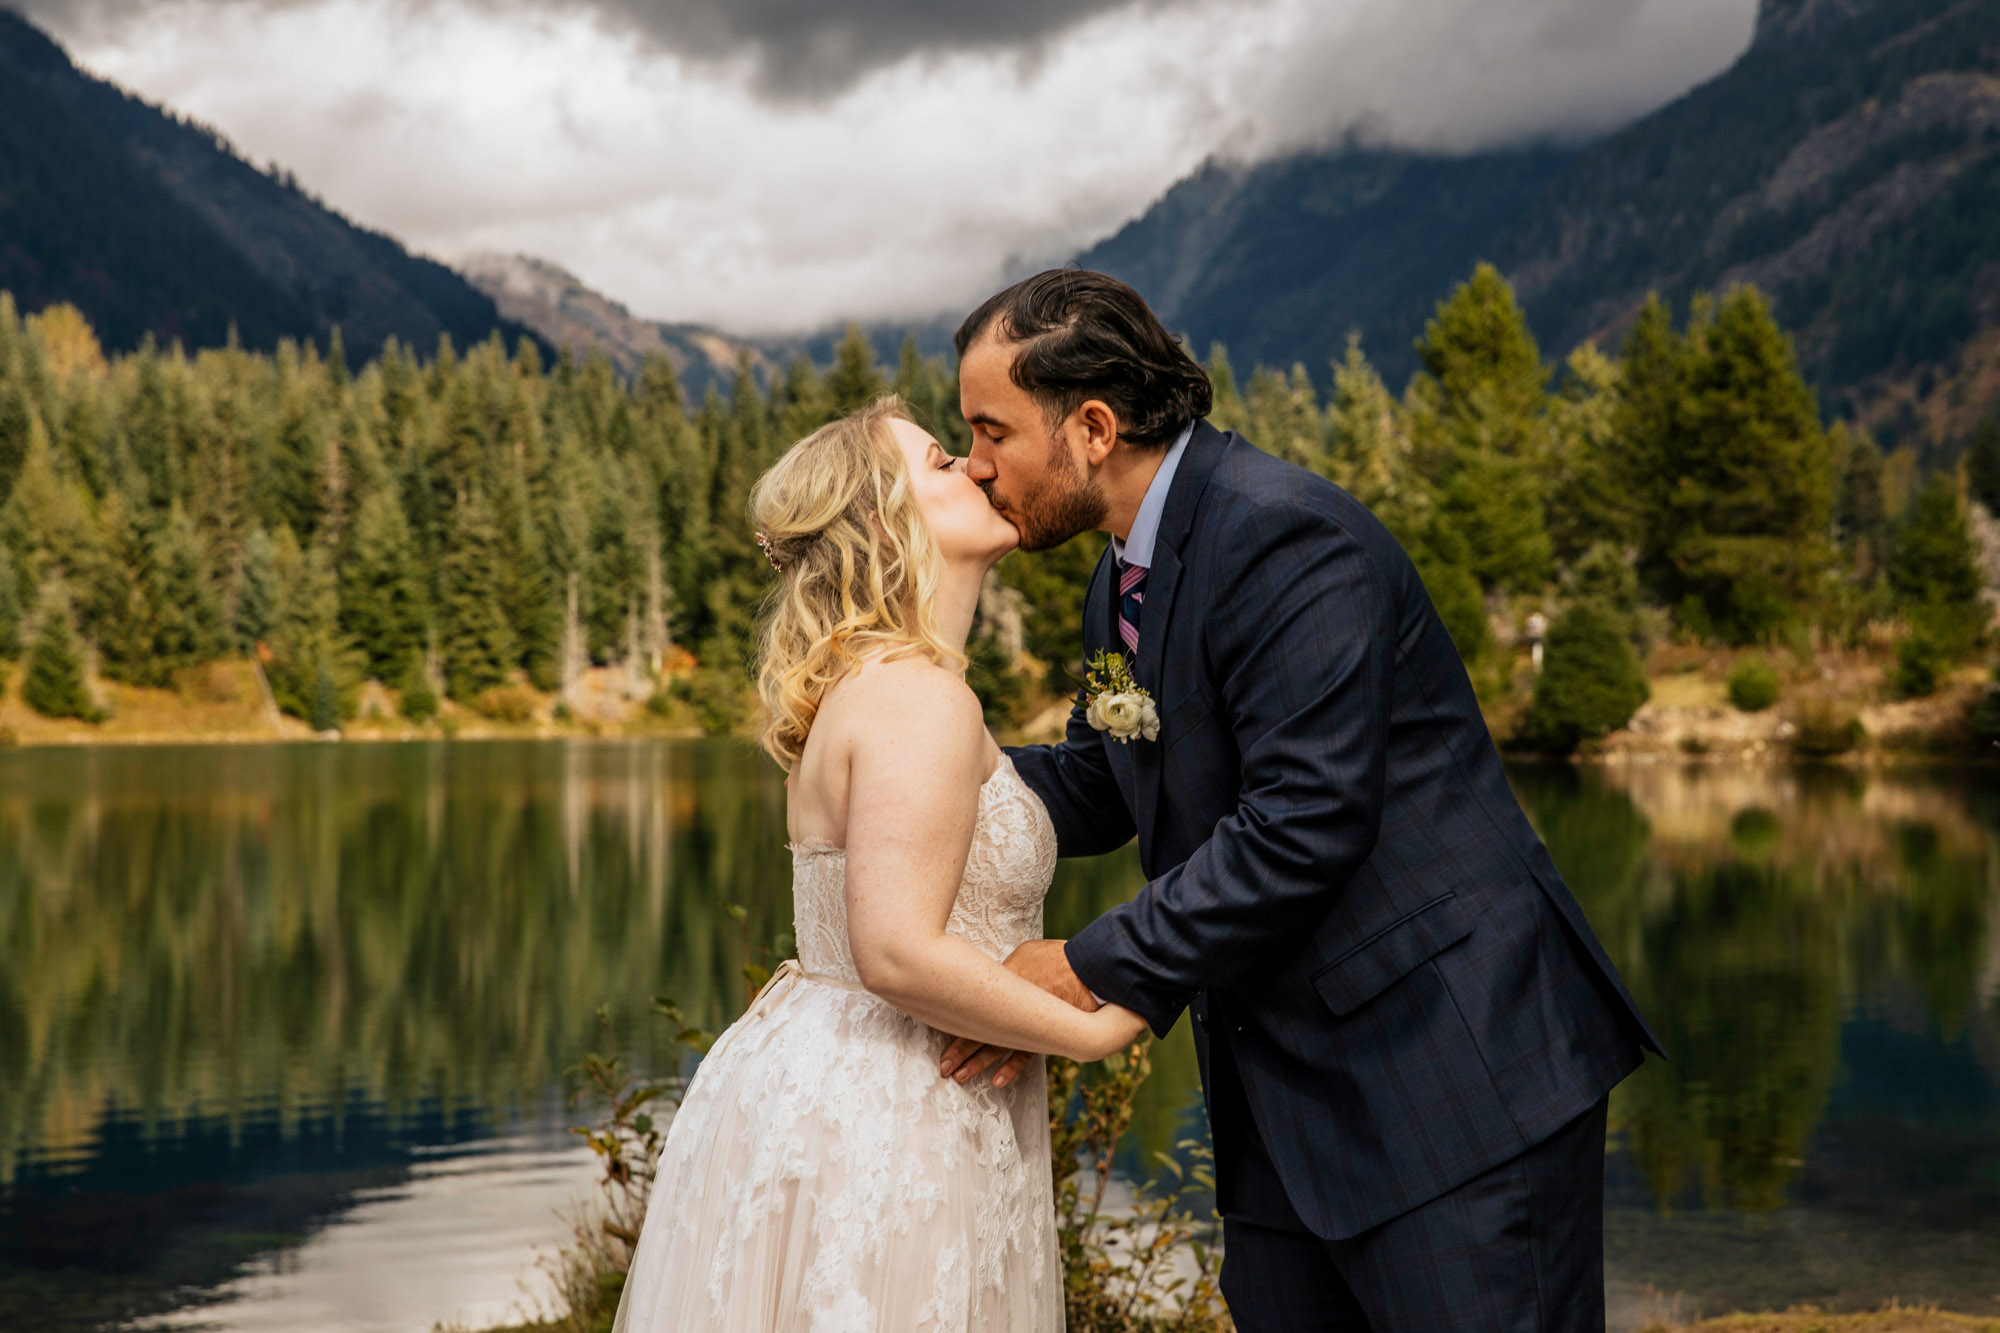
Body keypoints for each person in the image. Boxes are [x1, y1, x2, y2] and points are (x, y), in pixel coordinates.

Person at [939, 269, 1664, 1332]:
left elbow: (1305, 822)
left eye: (990, 428)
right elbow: (1103, 782)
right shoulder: (1119, 581)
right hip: (1287, 1108)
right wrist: (915, 764)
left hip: (1453, 1080)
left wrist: (1086, 965)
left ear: (1091, 425)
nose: (974, 463)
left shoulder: (1280, 538)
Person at [611, 397, 1146, 1332]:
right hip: (899, 1109)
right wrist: (1098, 1026)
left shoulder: (894, 686)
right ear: (884, 523)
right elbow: (897, 951)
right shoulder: (916, 697)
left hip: (868, 1079)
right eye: (943, 461)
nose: (978, 468)